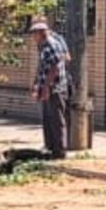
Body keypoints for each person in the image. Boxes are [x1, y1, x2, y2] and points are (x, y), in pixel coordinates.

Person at [29, 20, 71, 159]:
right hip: (46, 87)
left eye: (35, 33)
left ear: (42, 33)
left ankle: (60, 150)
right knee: (47, 118)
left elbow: (54, 68)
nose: (33, 37)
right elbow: (42, 68)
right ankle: (50, 147)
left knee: (56, 119)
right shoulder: (42, 46)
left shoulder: (52, 45)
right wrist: (37, 85)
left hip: (55, 88)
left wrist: (47, 87)